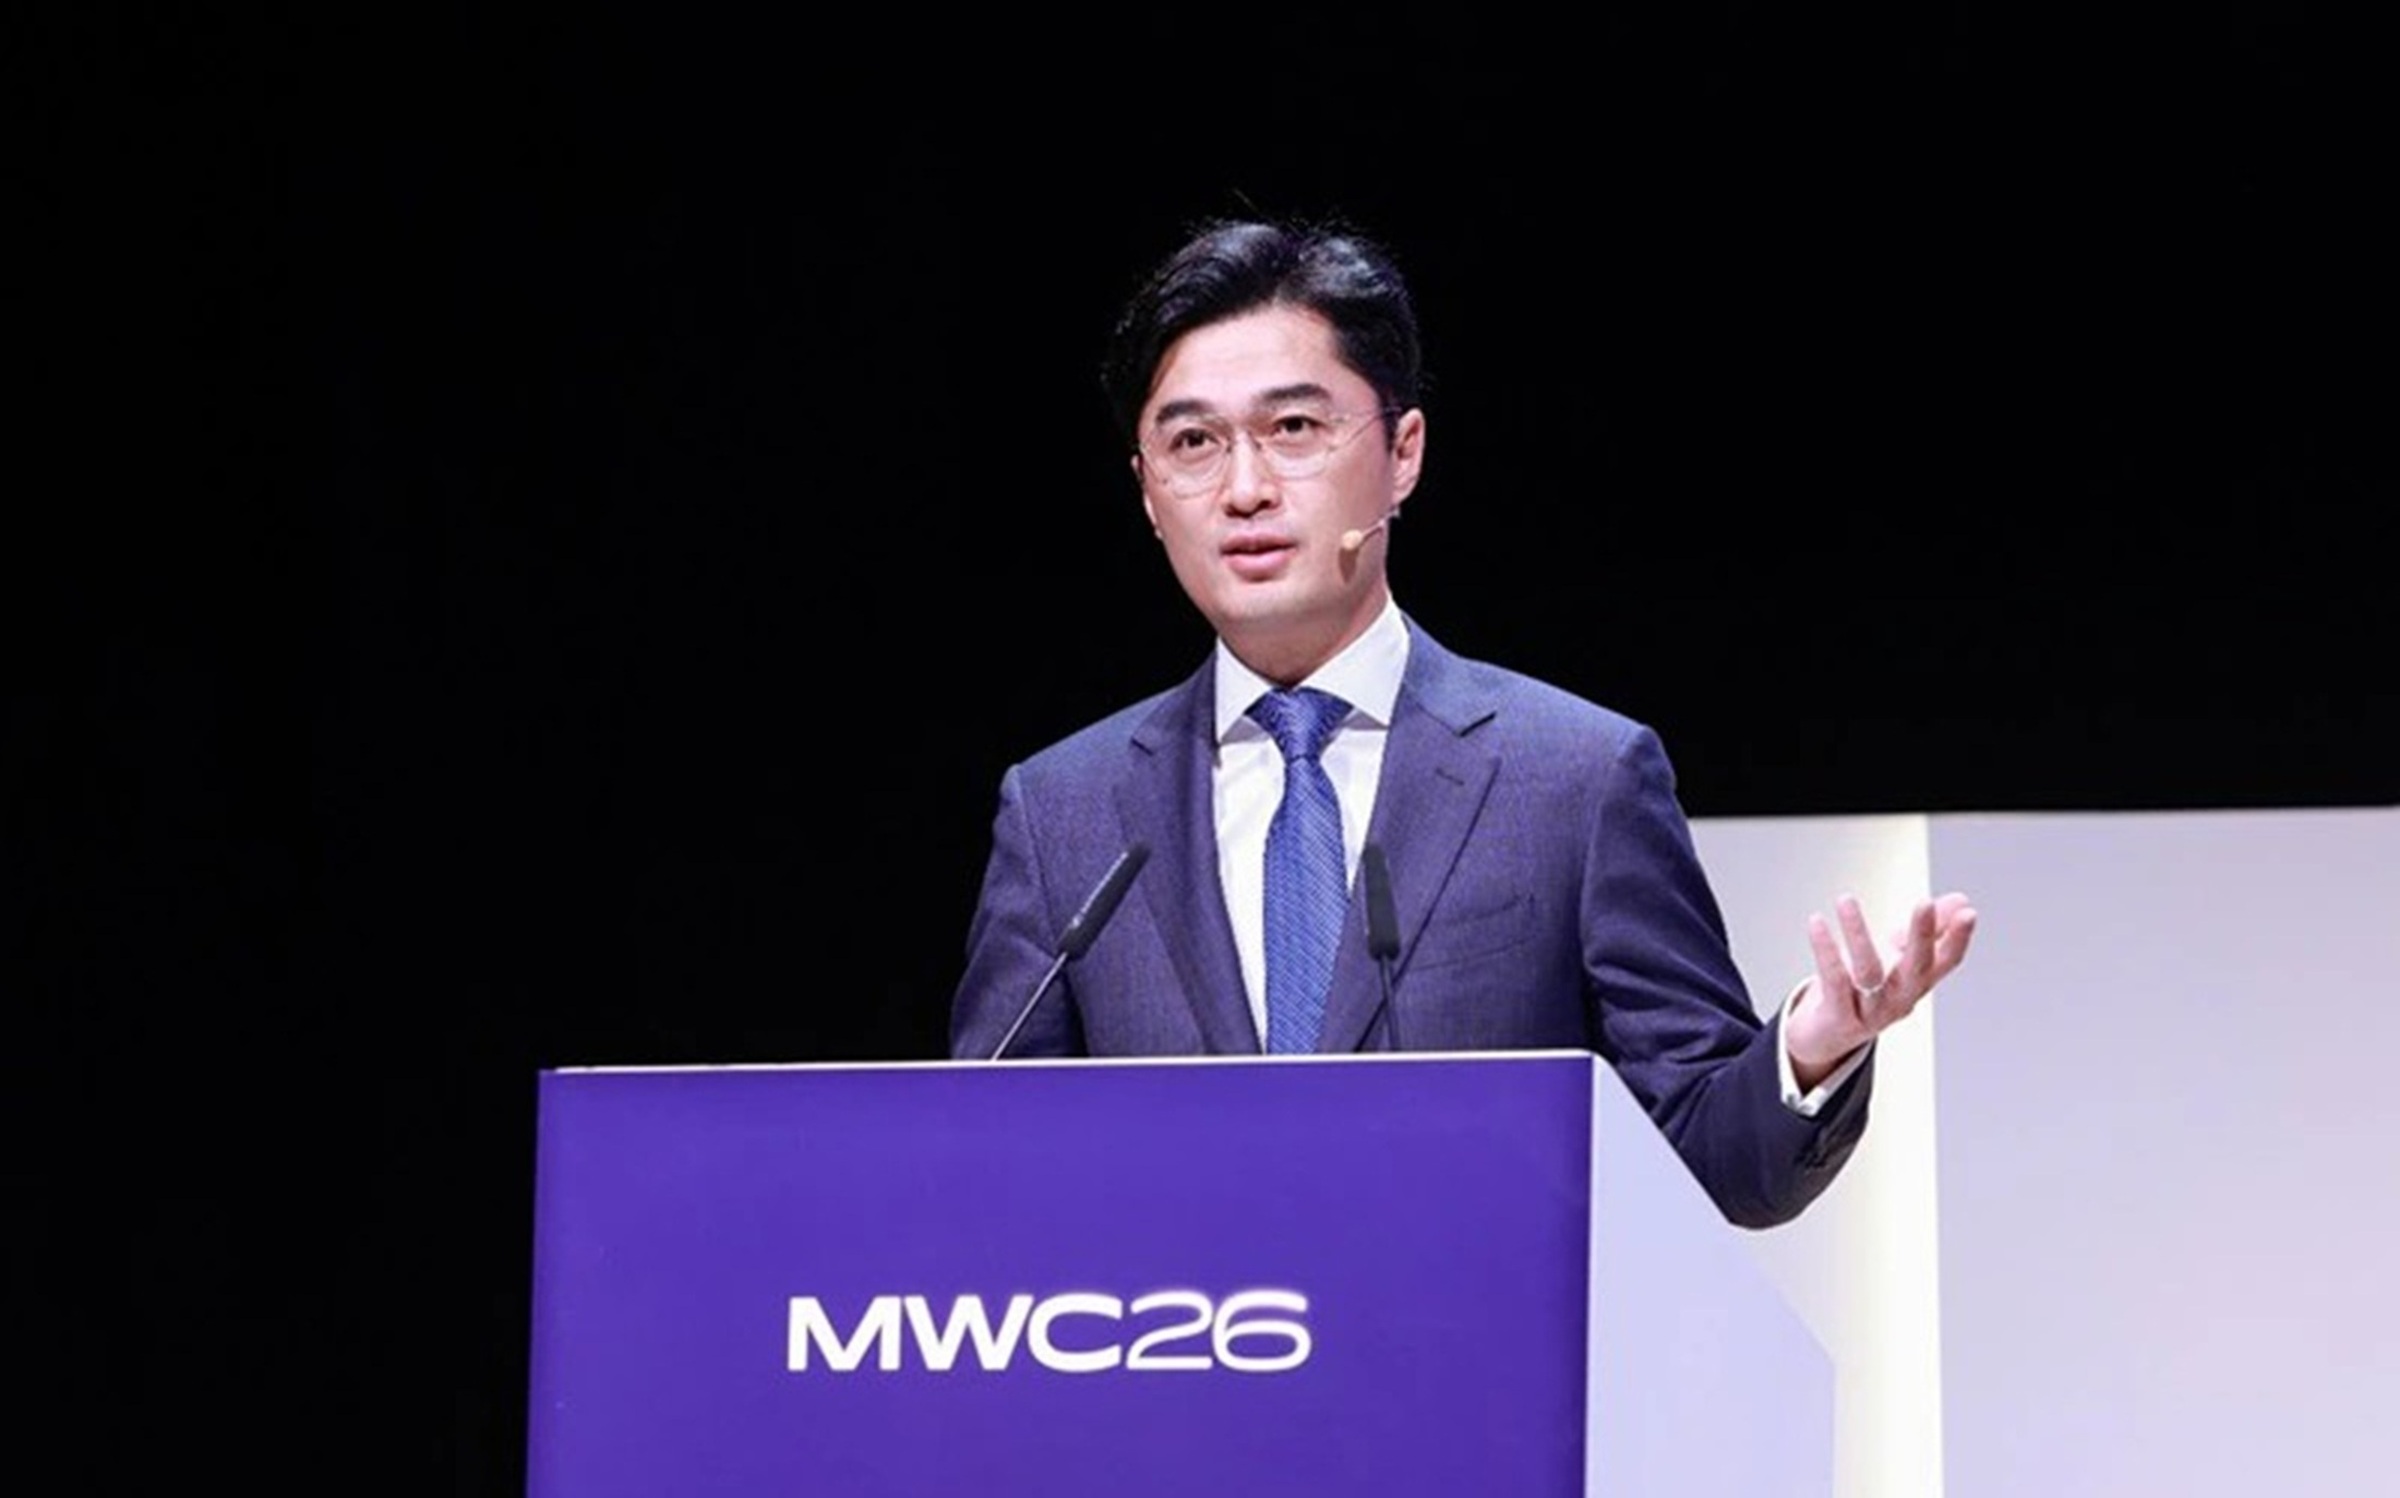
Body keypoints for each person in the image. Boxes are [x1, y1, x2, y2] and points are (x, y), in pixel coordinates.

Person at [946, 215, 1978, 1229]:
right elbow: (973, 1167)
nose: (1244, 489)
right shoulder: (1065, 814)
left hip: (1471, 1336)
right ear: (1146, 491)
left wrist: (1810, 1046)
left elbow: (1713, 1157)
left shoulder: (1574, 779)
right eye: (1193, 443)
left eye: (1294, 429)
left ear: (1403, 453)